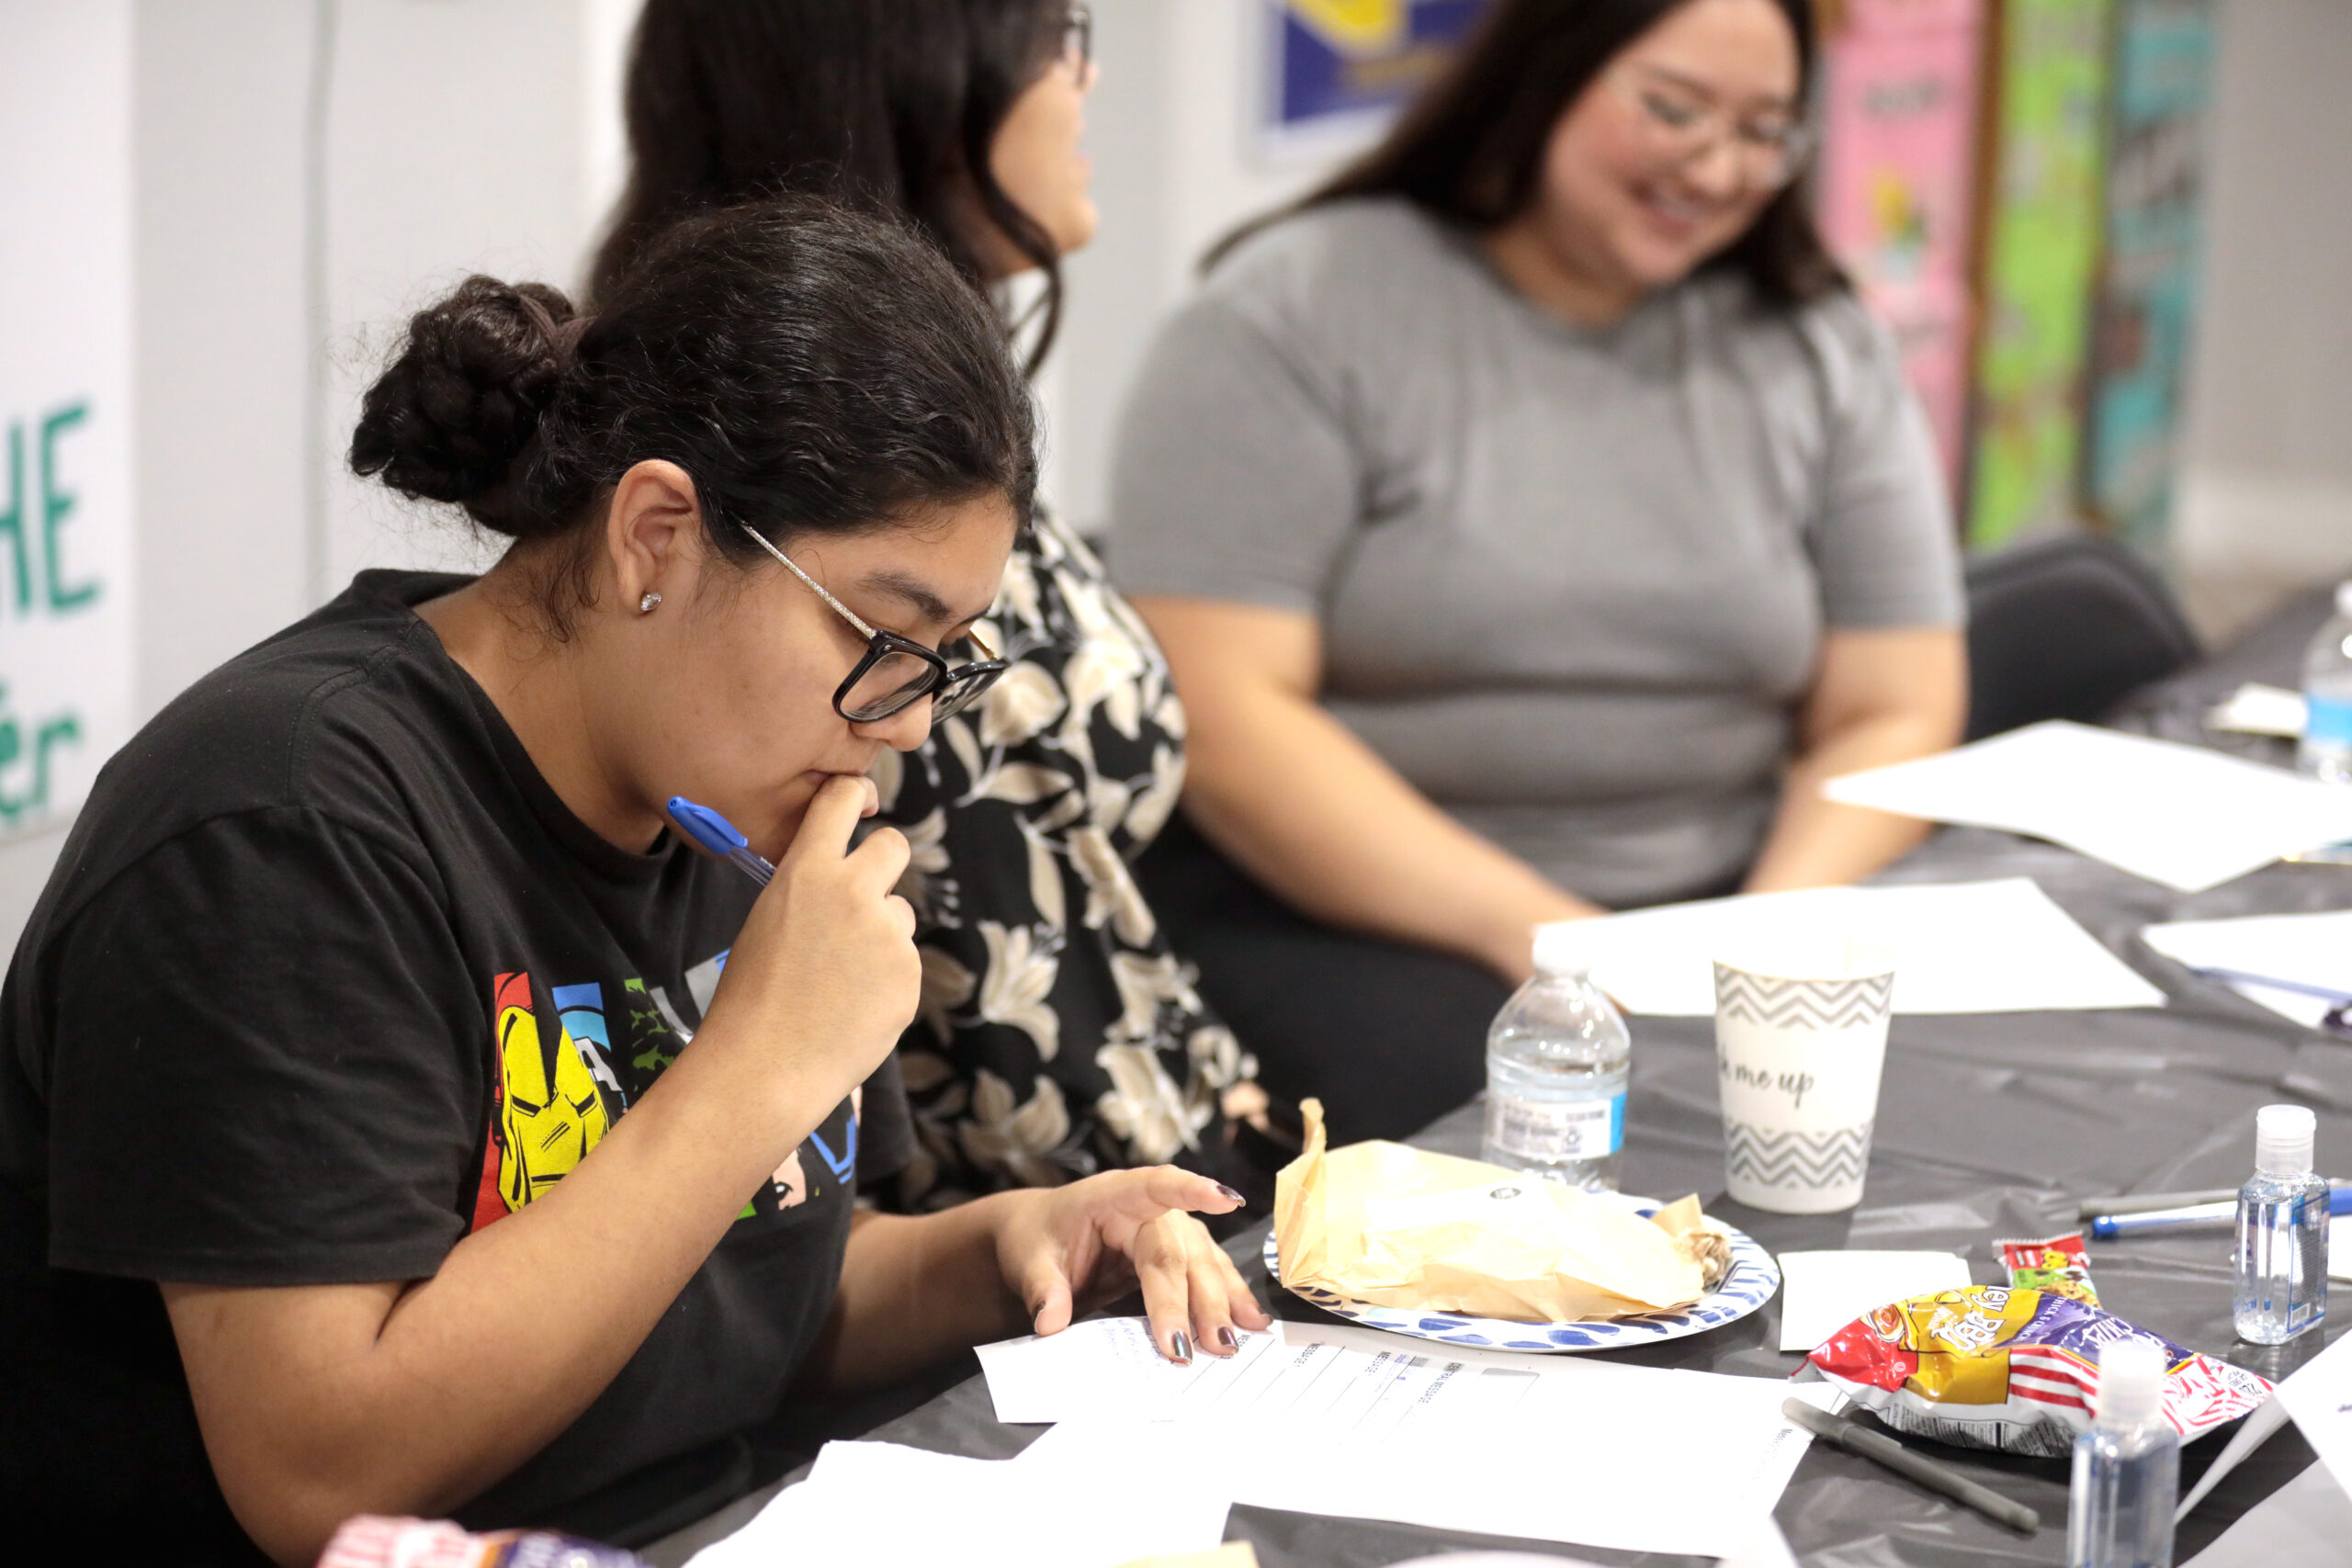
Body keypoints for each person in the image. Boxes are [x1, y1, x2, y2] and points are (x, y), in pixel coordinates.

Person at [0, 200, 1266, 1568]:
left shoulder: (720, 787)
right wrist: (758, 1064)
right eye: (884, 636)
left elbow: (757, 1282)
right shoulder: (282, 821)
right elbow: (323, 1474)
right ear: (655, 534)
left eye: (948, 654)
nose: (908, 721)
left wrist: (1015, 1240)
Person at [1108, 0, 1967, 1145]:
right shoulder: (1291, 312)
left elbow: (1896, 700)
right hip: (1372, 920)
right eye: (1673, 110)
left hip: (1721, 897)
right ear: (1545, 75)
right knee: (1548, 1158)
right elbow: (1223, 714)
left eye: (1767, 130)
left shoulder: (1815, 340)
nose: (1717, 168)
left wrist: (1764, 936)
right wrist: (1558, 941)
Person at [594, 0, 1271, 1211]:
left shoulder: (938, 452)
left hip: (1117, 1176)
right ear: (902, 70)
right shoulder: (760, 502)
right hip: (948, 1231)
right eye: (1053, 35)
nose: (1086, 74)